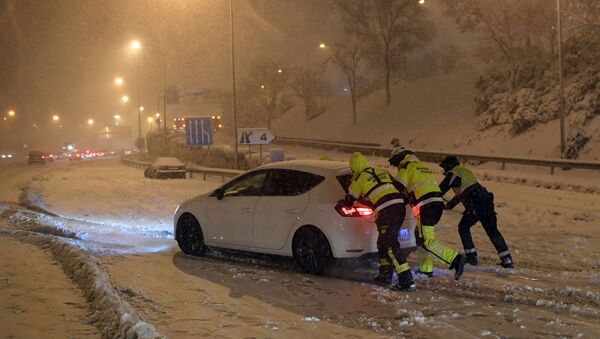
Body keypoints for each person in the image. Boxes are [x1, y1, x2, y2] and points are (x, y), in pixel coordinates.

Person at [388, 147, 467, 280]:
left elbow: (398, 186)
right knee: (421, 237)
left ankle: (455, 259)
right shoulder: (421, 167)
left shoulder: (406, 167)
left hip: (427, 206)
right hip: (436, 204)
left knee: (426, 240)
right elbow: (419, 188)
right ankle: (426, 269)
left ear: (400, 158)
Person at [340, 152, 416, 291]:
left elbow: (350, 200)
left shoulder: (359, 179)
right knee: (382, 243)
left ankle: (406, 279)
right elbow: (395, 187)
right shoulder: (381, 171)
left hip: (386, 210)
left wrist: (342, 203)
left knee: (389, 244)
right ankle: (385, 274)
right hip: (399, 207)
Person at [438, 156, 514, 268]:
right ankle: (506, 259)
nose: (443, 170)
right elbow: (463, 192)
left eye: (444, 167)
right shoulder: (464, 171)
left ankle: (471, 256)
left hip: (475, 201)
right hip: (485, 199)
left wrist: (434, 199)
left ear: (449, 166)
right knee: (492, 230)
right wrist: (449, 205)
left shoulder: (453, 174)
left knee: (463, 227)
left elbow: (440, 190)